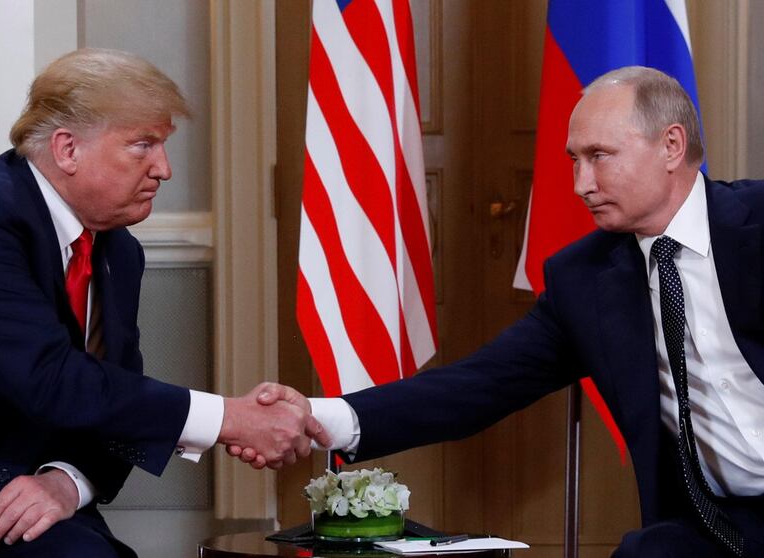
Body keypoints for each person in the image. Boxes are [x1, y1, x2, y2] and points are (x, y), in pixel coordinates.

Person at [243, 66, 764, 557]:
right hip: (718, 525)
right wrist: (322, 415)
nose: (581, 184)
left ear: (671, 145)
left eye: (600, 155)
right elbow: (480, 385)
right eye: (573, 160)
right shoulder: (584, 280)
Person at [0, 48, 330, 557]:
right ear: (68, 149)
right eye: (144, 145)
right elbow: (50, 377)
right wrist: (229, 418)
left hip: (38, 502)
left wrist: (67, 482)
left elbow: (116, 398)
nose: (164, 170)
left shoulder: (118, 251)